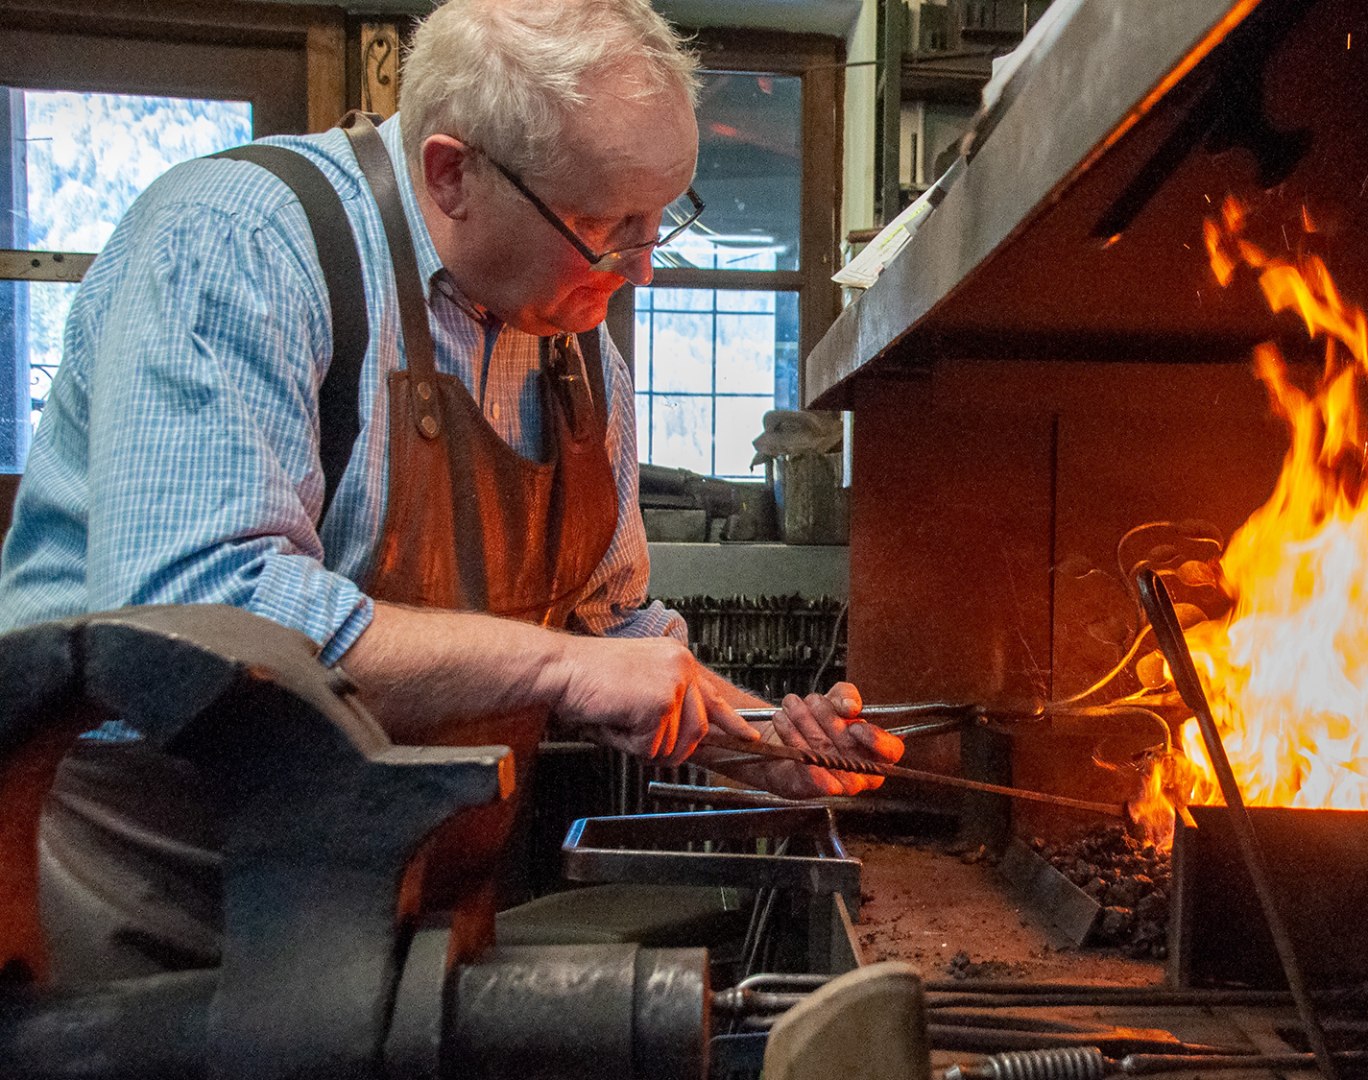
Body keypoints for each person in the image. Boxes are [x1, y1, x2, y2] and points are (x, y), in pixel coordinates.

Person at [0, 0, 901, 982]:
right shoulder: (246, 240)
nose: (642, 270)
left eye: (662, 221)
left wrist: (759, 742)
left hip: (410, 905)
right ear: (451, 171)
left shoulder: (579, 351)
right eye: (607, 228)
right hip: (161, 897)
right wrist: (553, 668)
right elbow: (193, 610)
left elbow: (611, 638)